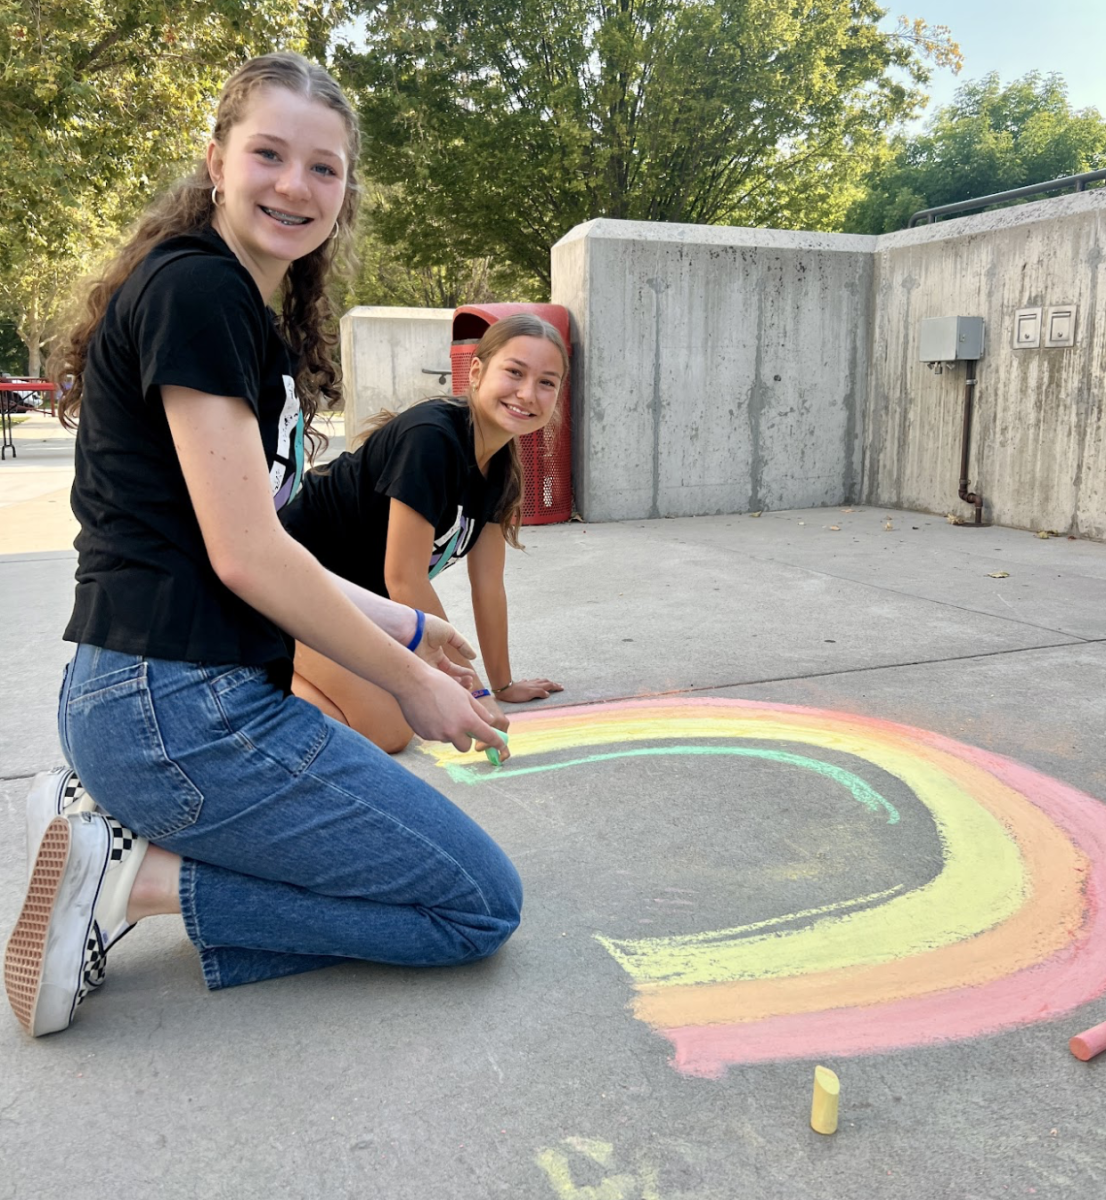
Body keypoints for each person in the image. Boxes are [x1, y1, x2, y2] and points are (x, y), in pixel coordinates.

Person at [3, 52, 519, 1040]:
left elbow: (259, 547)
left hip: (170, 702)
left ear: (345, 191)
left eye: (322, 167)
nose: (294, 185)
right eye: (269, 154)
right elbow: (246, 557)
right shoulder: (199, 294)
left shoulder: (233, 307)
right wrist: (409, 682)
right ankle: (131, 880)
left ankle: (113, 850)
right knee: (474, 906)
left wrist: (408, 626)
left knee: (447, 886)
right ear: (216, 162)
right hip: (175, 711)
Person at [280, 312, 566, 755]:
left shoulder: (502, 467)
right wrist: (470, 692)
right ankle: (247, 677)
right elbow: (404, 579)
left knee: (404, 707)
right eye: (515, 372)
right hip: (288, 587)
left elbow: (488, 586)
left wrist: (501, 684)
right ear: (476, 372)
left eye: (547, 382)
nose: (529, 393)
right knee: (389, 729)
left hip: (357, 607)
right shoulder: (431, 437)